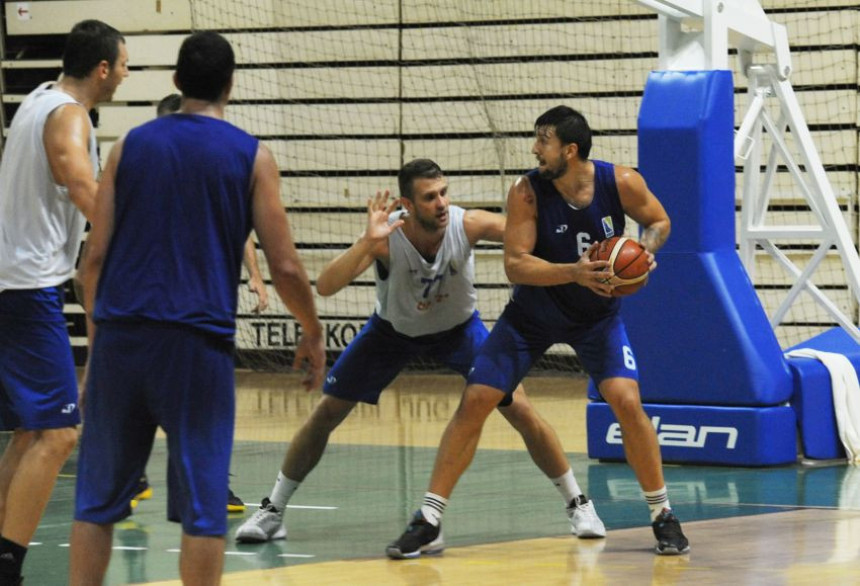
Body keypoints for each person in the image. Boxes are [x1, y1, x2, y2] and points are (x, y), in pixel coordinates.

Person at [233, 158, 605, 552]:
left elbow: (531, 232)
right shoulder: (385, 236)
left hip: (460, 331)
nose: (442, 203)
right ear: (406, 205)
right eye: (430, 197)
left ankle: (578, 504)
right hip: (392, 332)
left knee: (521, 410)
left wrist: (578, 250)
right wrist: (365, 241)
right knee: (326, 412)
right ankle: (273, 510)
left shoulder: (468, 224)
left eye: (444, 192)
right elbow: (325, 286)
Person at [68, 31, 325, 584]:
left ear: (177, 82)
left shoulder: (128, 147)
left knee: (96, 504)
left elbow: (94, 260)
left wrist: (99, 347)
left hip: (121, 339)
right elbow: (283, 266)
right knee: (204, 513)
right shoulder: (252, 156)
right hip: (195, 347)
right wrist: (312, 330)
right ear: (230, 86)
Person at [388, 106, 690, 558]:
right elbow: (516, 264)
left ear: (569, 150)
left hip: (596, 318)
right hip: (532, 317)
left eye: (542, 141)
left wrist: (644, 251)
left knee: (628, 401)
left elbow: (660, 220)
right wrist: (574, 272)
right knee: (476, 399)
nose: (534, 149)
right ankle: (428, 519)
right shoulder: (526, 191)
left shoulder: (621, 181)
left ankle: (663, 515)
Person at [0, 20, 128, 585]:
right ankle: (9, 565)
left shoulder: (36, 100)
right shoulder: (69, 114)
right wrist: (144, 243)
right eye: (124, 64)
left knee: (31, 432)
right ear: (103, 69)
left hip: (14, 285)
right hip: (25, 291)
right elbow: (79, 182)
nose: (126, 73)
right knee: (58, 433)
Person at [130, 93, 271, 513]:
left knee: (202, 405)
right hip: (146, 306)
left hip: (200, 308)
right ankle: (134, 477)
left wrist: (256, 276)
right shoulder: (135, 168)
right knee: (151, 397)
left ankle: (212, 487)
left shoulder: (212, 169)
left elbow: (242, 225)